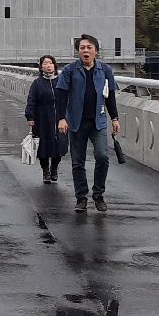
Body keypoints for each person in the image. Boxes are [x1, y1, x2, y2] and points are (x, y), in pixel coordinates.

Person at [56, 34, 120, 214]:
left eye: (89, 47)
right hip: (76, 122)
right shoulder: (70, 70)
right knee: (78, 162)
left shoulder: (105, 70)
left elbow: (110, 95)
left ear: (96, 51)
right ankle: (81, 198)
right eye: (82, 48)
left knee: (102, 156)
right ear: (78, 51)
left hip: (98, 121)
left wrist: (114, 118)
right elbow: (61, 95)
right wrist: (61, 118)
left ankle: (98, 195)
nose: (85, 50)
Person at [24, 55, 66, 184]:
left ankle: (54, 168)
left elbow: (68, 99)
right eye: (45, 63)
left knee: (59, 144)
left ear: (54, 65)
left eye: (50, 63)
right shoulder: (37, 83)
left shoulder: (61, 81)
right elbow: (31, 100)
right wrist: (30, 116)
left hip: (59, 117)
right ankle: (45, 170)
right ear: (41, 67)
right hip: (42, 117)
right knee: (43, 145)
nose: (48, 66)